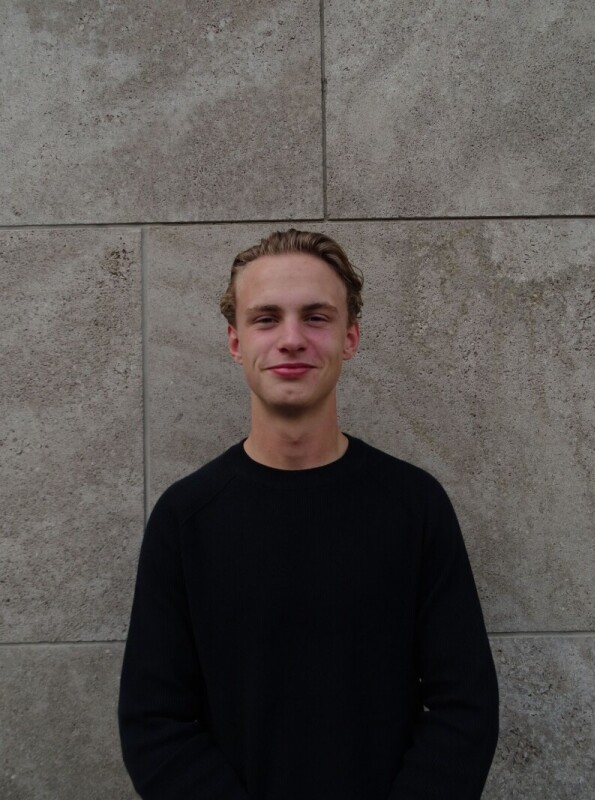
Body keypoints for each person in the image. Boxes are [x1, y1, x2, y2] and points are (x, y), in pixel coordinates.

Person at [118, 229, 499, 800]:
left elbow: (464, 707)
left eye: (316, 318)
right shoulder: (185, 518)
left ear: (350, 338)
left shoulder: (414, 506)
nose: (291, 339)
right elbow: (154, 722)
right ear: (235, 341)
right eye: (266, 319)